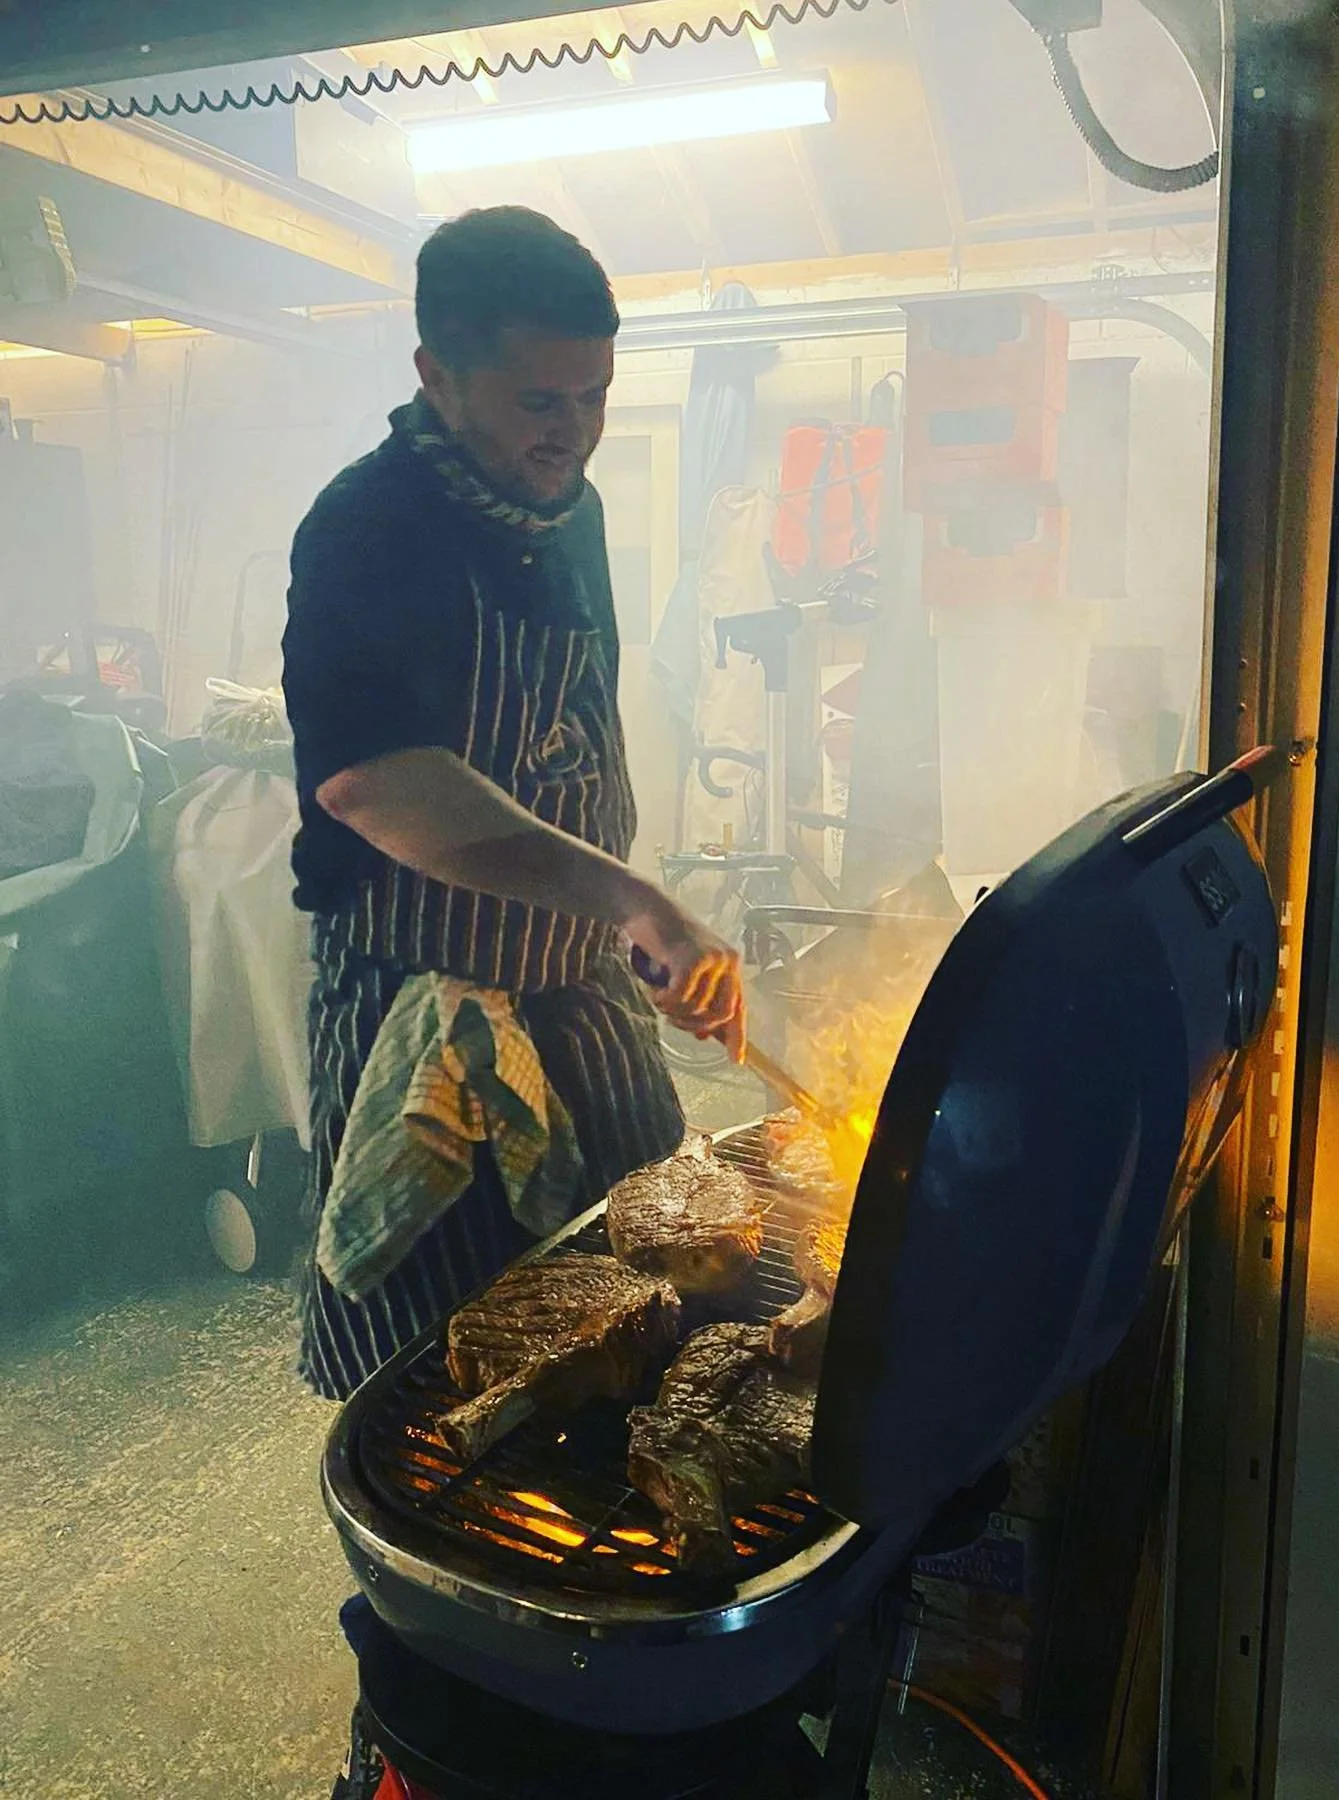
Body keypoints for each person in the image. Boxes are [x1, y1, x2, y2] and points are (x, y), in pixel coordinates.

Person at [281, 206, 744, 1799]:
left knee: (658, 1319)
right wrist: (625, 895)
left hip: (577, 1006)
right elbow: (375, 784)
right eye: (541, 401)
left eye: (595, 398)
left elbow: (569, 755)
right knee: (436, 1399)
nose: (572, 434)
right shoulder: (369, 528)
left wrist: (636, 930)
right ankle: (418, 1726)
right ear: (436, 371)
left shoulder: (578, 517)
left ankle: (598, 1704)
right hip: (432, 1025)